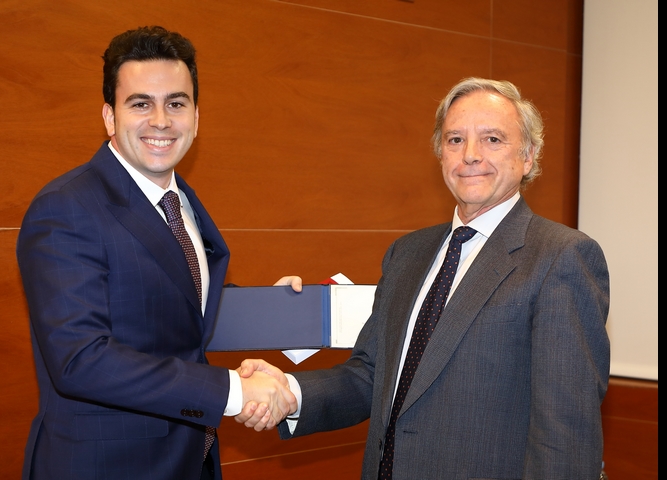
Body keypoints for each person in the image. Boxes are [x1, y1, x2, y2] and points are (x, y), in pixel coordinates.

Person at [238, 77, 611, 479]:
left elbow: (564, 437)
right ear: (440, 153)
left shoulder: (561, 257)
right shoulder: (407, 253)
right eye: (455, 140)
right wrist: (290, 393)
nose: (470, 155)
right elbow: (371, 375)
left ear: (528, 157)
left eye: (492, 139)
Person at [16, 25, 299, 480]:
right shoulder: (67, 207)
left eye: (176, 103)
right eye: (141, 104)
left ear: (196, 117)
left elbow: (176, 308)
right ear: (109, 116)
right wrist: (233, 392)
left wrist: (278, 311)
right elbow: (80, 359)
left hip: (189, 460)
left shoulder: (180, 201)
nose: (162, 121)